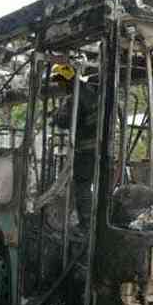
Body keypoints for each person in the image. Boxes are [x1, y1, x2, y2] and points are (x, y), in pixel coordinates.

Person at [52, 64, 99, 231]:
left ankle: (86, 225)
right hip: (96, 149)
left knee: (82, 186)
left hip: (86, 150)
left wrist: (55, 116)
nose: (59, 86)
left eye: (59, 82)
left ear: (67, 80)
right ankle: (89, 222)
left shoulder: (76, 97)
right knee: (88, 186)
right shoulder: (90, 91)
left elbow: (65, 120)